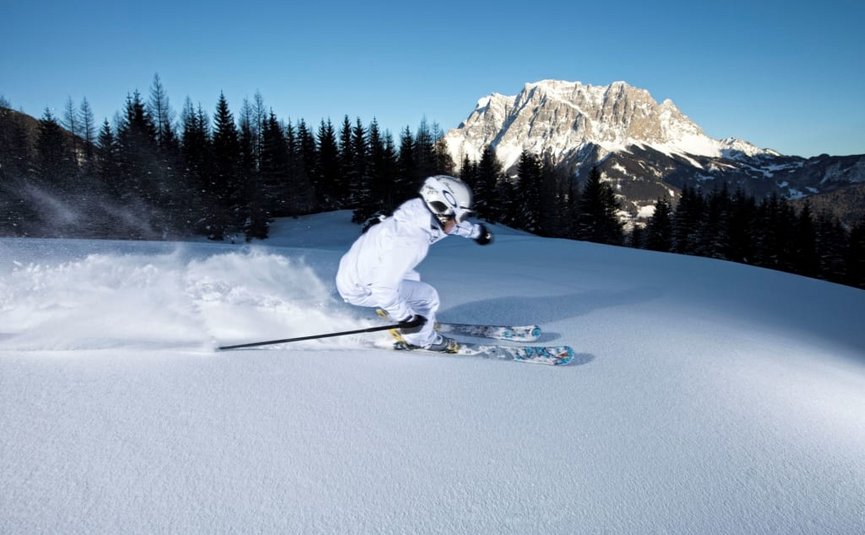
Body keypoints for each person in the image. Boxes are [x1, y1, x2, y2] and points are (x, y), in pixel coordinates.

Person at [336, 175, 493, 352]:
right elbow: (383, 288)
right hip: (361, 287)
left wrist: (475, 232)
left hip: (355, 271)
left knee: (412, 278)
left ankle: (398, 311)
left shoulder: (418, 215)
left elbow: (447, 227)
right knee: (428, 297)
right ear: (442, 209)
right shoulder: (411, 240)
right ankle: (421, 339)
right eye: (460, 215)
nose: (459, 220)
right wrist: (407, 319)